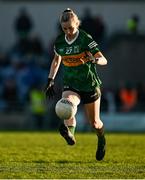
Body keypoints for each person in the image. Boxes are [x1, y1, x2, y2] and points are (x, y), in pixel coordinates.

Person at [45, 8, 107, 161]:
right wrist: (50, 79)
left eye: (71, 28)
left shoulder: (85, 38)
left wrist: (95, 60)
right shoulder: (59, 41)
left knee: (95, 123)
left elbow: (104, 59)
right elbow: (56, 60)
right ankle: (70, 134)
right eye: (64, 28)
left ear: (77, 24)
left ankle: (101, 139)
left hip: (89, 84)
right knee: (68, 105)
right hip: (71, 83)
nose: (68, 31)